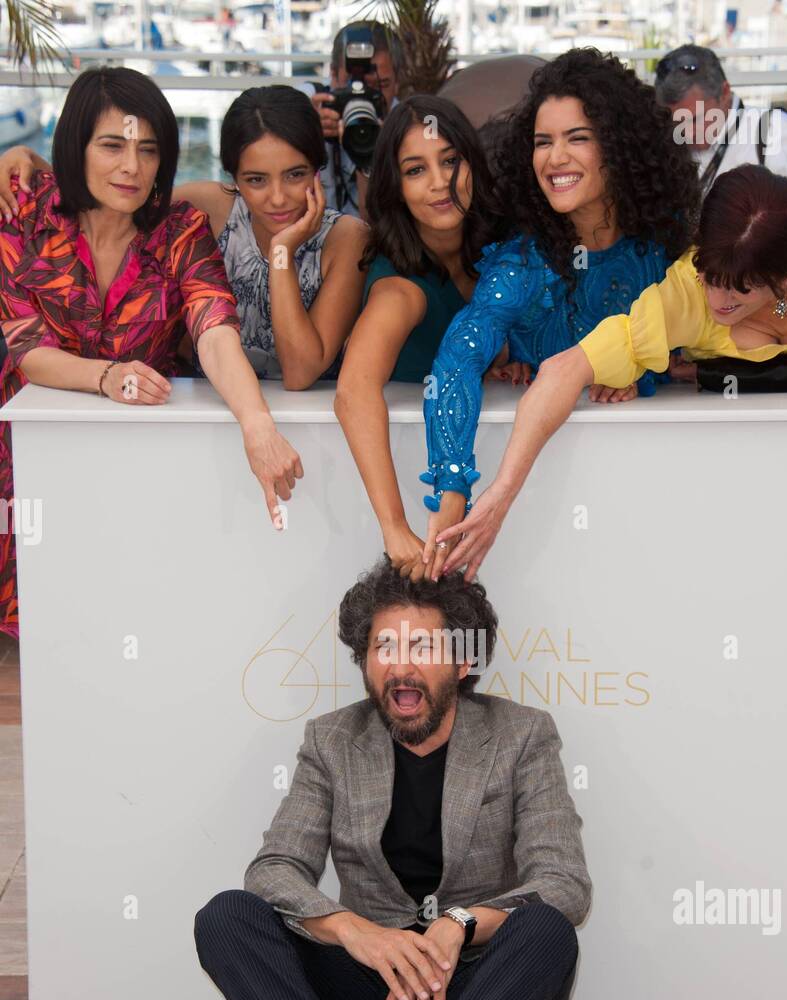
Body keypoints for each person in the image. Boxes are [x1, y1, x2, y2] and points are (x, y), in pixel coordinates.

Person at [194, 557, 591, 1000]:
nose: (399, 667)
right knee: (226, 918)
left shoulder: (522, 735)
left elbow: (564, 881)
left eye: (421, 647)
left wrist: (461, 925)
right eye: (383, 647)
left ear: (463, 663)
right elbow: (276, 869)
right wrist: (355, 931)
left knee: (548, 933)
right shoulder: (333, 740)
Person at [432, 164, 787, 581]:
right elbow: (564, 370)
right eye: (708, 274)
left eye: (740, 286)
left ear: (786, 278)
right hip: (719, 496)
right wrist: (501, 494)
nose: (716, 298)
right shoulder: (684, 294)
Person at [0, 67, 300, 641]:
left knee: (136, 615)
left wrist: (257, 424)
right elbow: (27, 349)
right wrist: (107, 376)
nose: (131, 168)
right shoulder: (25, 218)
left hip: (140, 454)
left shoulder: (180, 229)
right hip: (37, 453)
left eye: (148, 150)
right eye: (111, 146)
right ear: (76, 147)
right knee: (48, 632)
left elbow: (214, 327)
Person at [419, 47, 701, 579]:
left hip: (655, 517)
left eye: (577, 138)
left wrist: (643, 375)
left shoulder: (666, 251)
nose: (554, 158)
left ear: (617, 148)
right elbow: (457, 357)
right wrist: (452, 488)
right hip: (545, 545)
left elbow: (718, 335)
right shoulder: (525, 263)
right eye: (543, 142)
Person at [0, 85, 368, 387]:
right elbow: (113, 198)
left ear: (318, 169)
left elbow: (300, 372)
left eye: (295, 175)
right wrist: (29, 159)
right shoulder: (210, 207)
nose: (277, 197)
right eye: (255, 179)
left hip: (310, 422)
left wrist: (282, 251)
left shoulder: (345, 238)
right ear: (233, 178)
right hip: (199, 404)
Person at [335, 95, 513, 586]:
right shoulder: (400, 290)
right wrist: (394, 527)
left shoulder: (503, 243)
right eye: (416, 170)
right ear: (395, 188)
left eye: (451, 160)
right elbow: (353, 392)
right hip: (427, 480)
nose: (439, 183)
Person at [654, 43, 787, 206]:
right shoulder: (663, 141)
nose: (685, 132)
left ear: (724, 93)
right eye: (675, 122)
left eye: (694, 120)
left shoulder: (773, 131)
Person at [306, 21, 402, 220]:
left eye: (380, 85)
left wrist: (381, 152)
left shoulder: (405, 124)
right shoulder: (315, 103)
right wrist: (303, 124)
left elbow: (381, 226)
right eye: (354, 84)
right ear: (333, 75)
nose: (364, 96)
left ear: (398, 82)